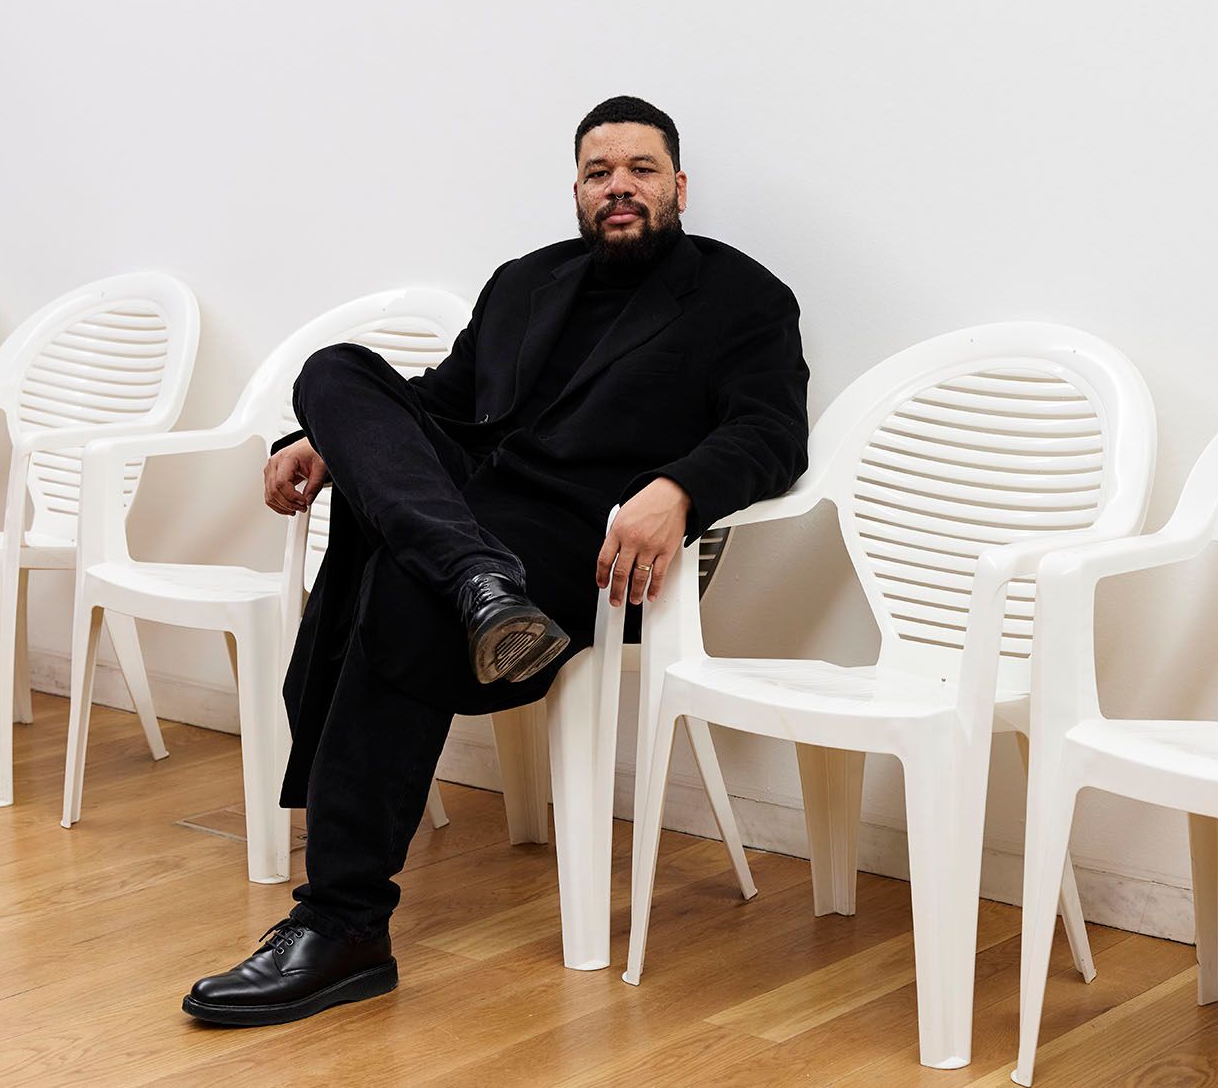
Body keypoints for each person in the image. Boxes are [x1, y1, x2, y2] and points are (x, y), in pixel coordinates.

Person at [182, 95, 810, 1026]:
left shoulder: (741, 297)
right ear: (577, 192)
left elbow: (773, 432)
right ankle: (475, 579)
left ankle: (343, 922)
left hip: (585, 546)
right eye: (600, 174)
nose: (620, 188)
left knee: (398, 573)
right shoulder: (525, 282)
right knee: (335, 372)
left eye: (640, 170)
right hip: (471, 524)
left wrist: (679, 488)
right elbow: (441, 403)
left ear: (679, 186)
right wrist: (330, 442)